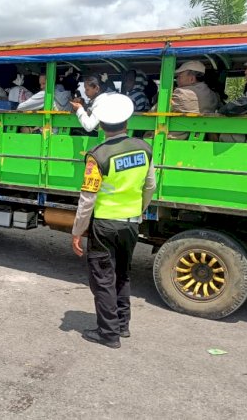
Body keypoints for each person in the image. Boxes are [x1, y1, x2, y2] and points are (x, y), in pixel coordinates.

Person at [70, 93, 156, 349]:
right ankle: (122, 325)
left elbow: (87, 199)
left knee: (103, 278)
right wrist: (139, 210)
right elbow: (150, 185)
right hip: (131, 223)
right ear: (127, 121)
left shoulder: (98, 155)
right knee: (123, 275)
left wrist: (77, 231)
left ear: (102, 124)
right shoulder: (144, 148)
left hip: (105, 226)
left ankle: (108, 334)